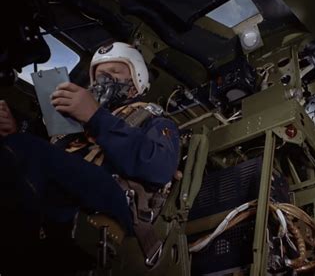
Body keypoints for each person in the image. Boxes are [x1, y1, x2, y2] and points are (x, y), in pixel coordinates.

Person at [0, 42, 180, 273]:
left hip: (118, 198)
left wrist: (96, 117)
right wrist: (13, 136)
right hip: (67, 193)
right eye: (100, 75)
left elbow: (159, 168)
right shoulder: (73, 124)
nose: (105, 80)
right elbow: (47, 161)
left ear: (136, 83)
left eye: (115, 72)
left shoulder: (155, 121)